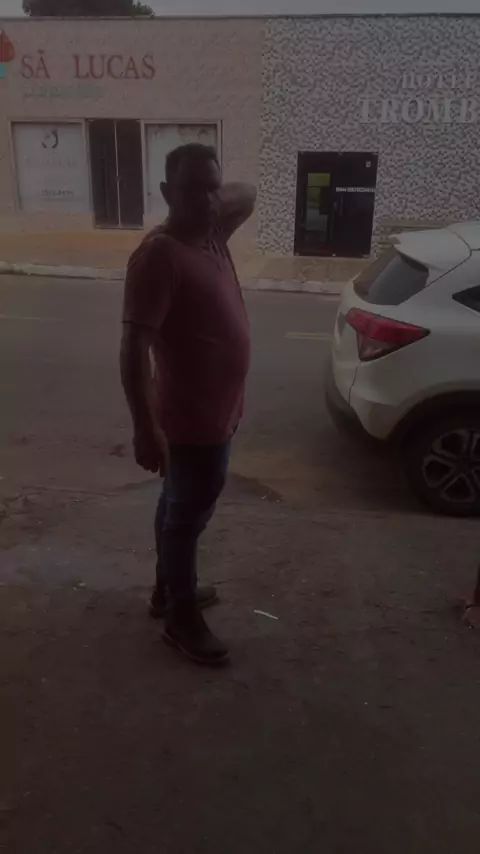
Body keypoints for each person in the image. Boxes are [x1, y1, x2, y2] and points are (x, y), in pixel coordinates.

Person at [121, 143, 256, 665]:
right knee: (187, 512)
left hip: (218, 411)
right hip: (189, 418)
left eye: (211, 187)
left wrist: (212, 201)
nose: (206, 200)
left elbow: (250, 194)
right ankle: (180, 618)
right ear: (165, 193)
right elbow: (133, 348)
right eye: (191, 190)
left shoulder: (213, 234)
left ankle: (168, 589)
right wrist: (144, 427)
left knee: (178, 503)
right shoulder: (159, 256)